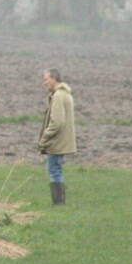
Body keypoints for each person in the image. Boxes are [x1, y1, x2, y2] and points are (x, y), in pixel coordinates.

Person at [38, 68, 76, 205]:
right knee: (56, 170)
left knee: (54, 171)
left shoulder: (58, 96)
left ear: (54, 78)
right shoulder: (65, 94)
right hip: (61, 141)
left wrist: (44, 139)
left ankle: (58, 203)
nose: (44, 83)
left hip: (57, 142)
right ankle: (60, 203)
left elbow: (57, 122)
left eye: (46, 79)